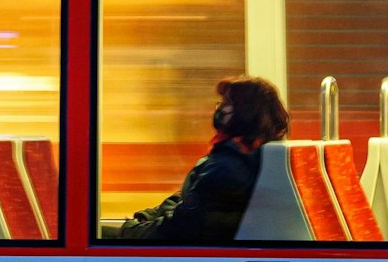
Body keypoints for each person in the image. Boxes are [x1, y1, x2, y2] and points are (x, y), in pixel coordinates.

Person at [117, 75, 289, 241]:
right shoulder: (242, 155)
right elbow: (190, 198)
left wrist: (131, 231)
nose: (219, 108)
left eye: (227, 103)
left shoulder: (229, 167)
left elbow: (180, 226)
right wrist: (147, 216)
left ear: (246, 112)